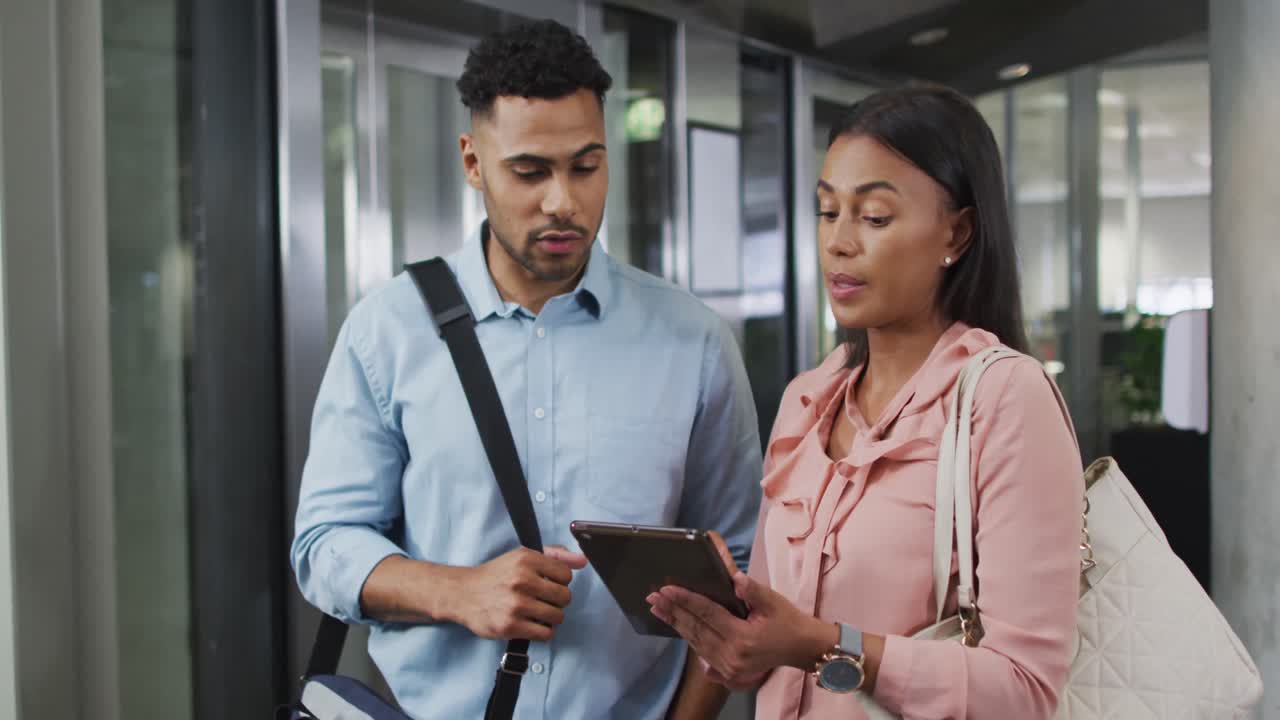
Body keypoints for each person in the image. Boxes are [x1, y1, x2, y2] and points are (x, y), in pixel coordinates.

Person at [291, 19, 762, 720]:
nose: (563, 202)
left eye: (586, 165)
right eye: (530, 171)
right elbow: (324, 544)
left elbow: (741, 572)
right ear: (473, 163)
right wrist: (457, 591)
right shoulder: (387, 331)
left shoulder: (692, 341)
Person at [648, 85, 1083, 719]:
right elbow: (771, 652)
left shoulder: (1005, 398)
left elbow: (1023, 691)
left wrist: (825, 646)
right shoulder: (807, 402)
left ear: (956, 234)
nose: (839, 243)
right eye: (828, 213)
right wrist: (734, 631)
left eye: (874, 217)